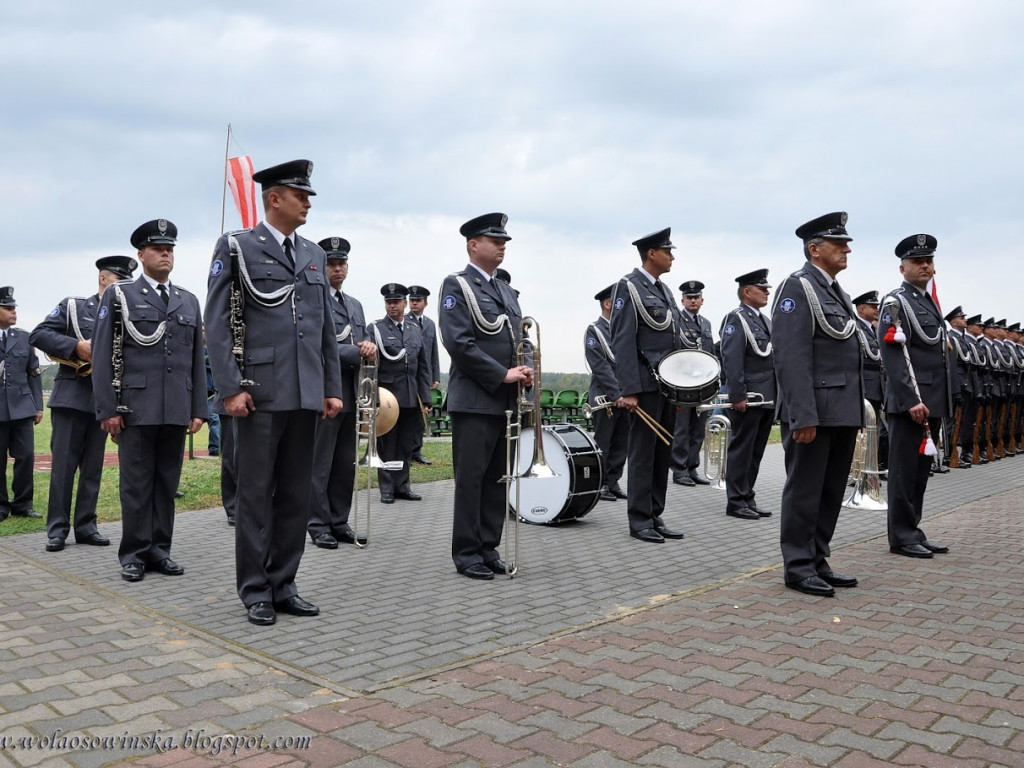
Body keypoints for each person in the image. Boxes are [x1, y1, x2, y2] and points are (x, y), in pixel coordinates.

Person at [205, 160, 342, 625]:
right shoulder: (238, 246)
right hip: (258, 392)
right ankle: (255, 590)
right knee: (255, 494)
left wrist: (330, 387)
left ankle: (284, 583)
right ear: (274, 198)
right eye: (300, 195)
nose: (308, 203)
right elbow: (218, 322)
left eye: (309, 196)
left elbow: (323, 327)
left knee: (296, 496)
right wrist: (229, 387)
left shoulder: (313, 254)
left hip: (305, 393)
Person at [92, 220, 206, 582]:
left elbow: (196, 360)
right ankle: (135, 554)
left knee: (166, 483)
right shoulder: (120, 294)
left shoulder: (188, 299)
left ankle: (160, 550)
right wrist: (108, 408)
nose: (166, 253)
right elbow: (101, 356)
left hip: (175, 406)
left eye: (170, 248)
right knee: (136, 485)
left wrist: (198, 408)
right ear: (141, 255)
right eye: (158, 248)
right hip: (135, 407)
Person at [772, 212, 863, 597]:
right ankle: (797, 565)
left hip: (840, 408)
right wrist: (801, 415)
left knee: (829, 491)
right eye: (838, 244)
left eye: (845, 243)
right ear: (814, 249)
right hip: (815, 411)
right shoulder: (797, 288)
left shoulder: (834, 290)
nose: (846, 249)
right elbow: (790, 357)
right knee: (806, 490)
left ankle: (817, 557)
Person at [439, 213, 531, 580]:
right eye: (495, 240)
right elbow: (458, 342)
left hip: (505, 400)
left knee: (498, 478)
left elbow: (517, 339)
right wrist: (501, 373)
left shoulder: (506, 290)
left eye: (504, 240)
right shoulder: (457, 285)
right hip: (475, 399)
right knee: (472, 478)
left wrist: (525, 367)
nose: (502, 245)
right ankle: (466, 552)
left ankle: (488, 546)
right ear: (473, 245)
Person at [31, 256, 137, 550]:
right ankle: (57, 529)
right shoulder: (74, 307)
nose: (125, 287)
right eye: (120, 281)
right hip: (72, 398)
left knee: (93, 468)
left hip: (104, 402)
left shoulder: (128, 313)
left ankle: (86, 526)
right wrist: (75, 346)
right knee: (63, 468)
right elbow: (39, 335)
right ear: (104, 279)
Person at [878, 234, 952, 559]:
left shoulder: (927, 301)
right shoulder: (895, 302)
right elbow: (893, 354)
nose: (925, 266)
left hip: (932, 399)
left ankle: (913, 530)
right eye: (918, 261)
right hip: (912, 403)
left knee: (921, 472)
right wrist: (911, 400)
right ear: (902, 267)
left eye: (929, 261)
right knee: (904, 471)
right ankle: (901, 537)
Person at [610, 228, 686, 544]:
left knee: (661, 454)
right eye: (668, 250)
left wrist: (682, 387)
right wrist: (628, 389)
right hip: (643, 386)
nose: (672, 256)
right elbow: (622, 340)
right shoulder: (628, 287)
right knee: (643, 454)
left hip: (666, 386)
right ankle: (640, 519)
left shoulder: (665, 291)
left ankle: (655, 514)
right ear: (652, 253)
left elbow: (673, 341)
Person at [307, 237, 375, 548]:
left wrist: (370, 349)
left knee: (344, 462)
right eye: (332, 264)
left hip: (351, 392)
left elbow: (362, 344)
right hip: (323, 392)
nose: (338, 269)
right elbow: (315, 346)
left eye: (342, 263)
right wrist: (355, 352)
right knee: (320, 463)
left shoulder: (355, 305)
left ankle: (339, 519)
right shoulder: (312, 300)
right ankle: (317, 523)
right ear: (322, 267)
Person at [719, 269, 776, 520]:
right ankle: (735, 501)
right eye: (761, 288)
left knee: (755, 452)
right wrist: (737, 395)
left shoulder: (764, 320)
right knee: (742, 450)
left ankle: (747, 496)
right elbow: (731, 359)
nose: (766, 292)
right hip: (748, 397)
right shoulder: (736, 319)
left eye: (767, 288)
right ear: (747, 292)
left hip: (766, 396)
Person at [370, 283, 431, 504]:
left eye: (396, 302)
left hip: (410, 395)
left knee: (406, 443)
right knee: (387, 444)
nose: (392, 306)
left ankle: (402, 485)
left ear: (405, 303)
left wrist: (425, 397)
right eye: (388, 302)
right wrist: (374, 398)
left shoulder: (415, 329)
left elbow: (423, 366)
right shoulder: (376, 328)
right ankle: (386, 488)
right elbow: (371, 366)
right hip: (387, 396)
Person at [0, 287, 44, 521]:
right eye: (7, 308)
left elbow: (33, 374)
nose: (13, 312)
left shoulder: (25, 338)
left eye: (14, 307)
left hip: (22, 409)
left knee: (26, 457)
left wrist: (38, 405)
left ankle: (23, 504)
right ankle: (1, 505)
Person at [584, 285, 628, 502]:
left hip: (626, 396)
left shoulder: (624, 329)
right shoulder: (595, 330)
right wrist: (616, 394)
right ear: (608, 303)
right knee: (604, 442)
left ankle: (613, 481)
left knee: (622, 442)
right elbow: (600, 366)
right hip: (605, 396)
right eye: (618, 301)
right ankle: (600, 483)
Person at [670, 280, 714, 487]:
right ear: (683, 300)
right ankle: (679, 470)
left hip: (703, 385)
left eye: (696, 297)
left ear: (702, 300)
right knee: (681, 428)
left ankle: (692, 467)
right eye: (689, 298)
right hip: (683, 385)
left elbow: (710, 354)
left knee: (698, 428)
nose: (693, 301)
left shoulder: (705, 323)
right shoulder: (675, 321)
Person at [852, 290, 889, 476]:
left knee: (874, 430)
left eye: (877, 306)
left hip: (877, 385)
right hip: (865, 385)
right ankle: (860, 469)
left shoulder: (873, 330)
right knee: (864, 430)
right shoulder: (857, 328)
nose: (877, 309)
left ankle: (871, 467)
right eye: (873, 306)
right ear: (861, 309)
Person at [406, 285, 441, 465]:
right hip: (409, 375)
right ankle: (407, 451)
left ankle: (416, 450)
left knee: (421, 416)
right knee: (409, 414)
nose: (414, 304)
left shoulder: (430, 324)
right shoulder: (404, 321)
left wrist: (436, 376)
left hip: (424, 377)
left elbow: (433, 352)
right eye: (411, 300)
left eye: (417, 301)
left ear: (425, 303)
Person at [944, 306, 978, 467]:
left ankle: (963, 453)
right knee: (952, 422)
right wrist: (955, 389)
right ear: (954, 322)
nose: (965, 319)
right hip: (957, 386)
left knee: (965, 422)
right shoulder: (951, 338)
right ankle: (949, 455)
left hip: (966, 386)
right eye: (961, 317)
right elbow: (951, 367)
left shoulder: (962, 339)